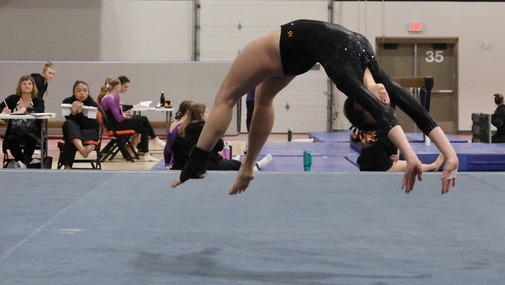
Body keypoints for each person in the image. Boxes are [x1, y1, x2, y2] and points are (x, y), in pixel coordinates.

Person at [171, 19, 459, 195]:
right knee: (264, 100)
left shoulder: (347, 76)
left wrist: (410, 156)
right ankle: (247, 168)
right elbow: (412, 108)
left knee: (225, 97)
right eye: (383, 103)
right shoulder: (370, 66)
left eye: (378, 105)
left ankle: (196, 165)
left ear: (361, 103)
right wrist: (449, 154)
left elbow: (386, 117)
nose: (387, 101)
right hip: (297, 52)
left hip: (282, 46)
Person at [99, 76, 158, 162]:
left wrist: (124, 115)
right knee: (144, 118)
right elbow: (118, 119)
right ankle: (155, 138)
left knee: (144, 129)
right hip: (116, 126)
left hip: (116, 123)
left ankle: (146, 154)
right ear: (117, 87)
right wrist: (124, 117)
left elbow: (117, 113)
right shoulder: (109, 99)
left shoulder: (113, 97)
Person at [171, 103, 244, 172]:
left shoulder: (182, 129)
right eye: (206, 112)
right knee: (237, 164)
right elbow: (219, 146)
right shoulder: (207, 129)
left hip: (183, 165)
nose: (208, 115)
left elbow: (174, 148)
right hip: (205, 165)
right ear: (201, 115)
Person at [0, 75, 45, 167]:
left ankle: (22, 163)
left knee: (32, 138)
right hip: (15, 131)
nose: (27, 86)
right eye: (24, 83)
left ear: (33, 86)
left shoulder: (38, 100)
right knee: (11, 139)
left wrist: (26, 110)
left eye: (29, 84)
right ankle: (23, 162)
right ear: (20, 86)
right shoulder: (12, 99)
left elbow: (40, 110)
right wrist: (3, 111)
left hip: (32, 131)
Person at [353, 128, 443, 173]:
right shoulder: (387, 129)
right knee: (411, 164)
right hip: (381, 166)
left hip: (363, 165)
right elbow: (395, 155)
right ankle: (432, 166)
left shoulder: (365, 125)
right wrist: (394, 154)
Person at [59, 80, 100, 169]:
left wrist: (79, 113)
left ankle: (67, 166)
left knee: (71, 137)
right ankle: (82, 150)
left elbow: (87, 125)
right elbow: (71, 123)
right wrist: (73, 112)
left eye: (85, 90)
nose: (82, 93)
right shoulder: (67, 102)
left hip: (90, 132)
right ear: (73, 92)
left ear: (88, 92)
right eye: (78, 90)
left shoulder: (92, 104)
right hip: (75, 132)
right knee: (68, 124)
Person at [164, 100, 194, 169]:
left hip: (168, 155)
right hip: (174, 157)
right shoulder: (184, 126)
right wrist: (171, 162)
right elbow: (177, 146)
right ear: (188, 111)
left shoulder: (174, 123)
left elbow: (168, 146)